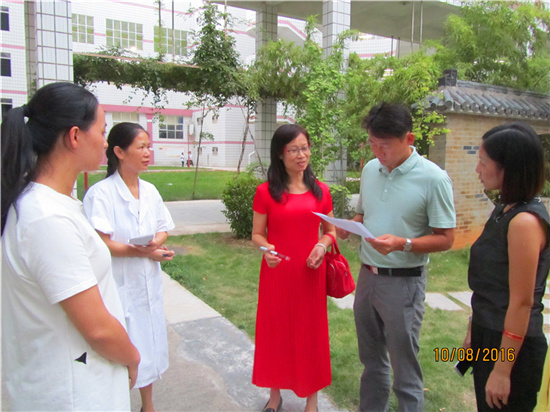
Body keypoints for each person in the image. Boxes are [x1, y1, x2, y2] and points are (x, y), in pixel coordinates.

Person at [1, 82, 140, 411]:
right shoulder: (47, 218)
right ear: (75, 136)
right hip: (72, 393)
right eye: (102, 131)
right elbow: (98, 329)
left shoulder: (47, 205)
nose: (105, 142)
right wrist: (133, 357)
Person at [337, 102, 456, 411]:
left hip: (404, 283)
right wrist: (350, 225)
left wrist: (403, 243)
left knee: (405, 370)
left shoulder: (434, 179)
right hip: (367, 277)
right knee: (371, 362)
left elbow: (446, 239)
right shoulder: (370, 170)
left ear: (409, 139)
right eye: (372, 144)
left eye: (385, 146)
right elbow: (364, 213)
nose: (378, 152)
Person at [83, 122, 175, 412]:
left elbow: (162, 227)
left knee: (147, 342)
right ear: (119, 152)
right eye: (141, 147)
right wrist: (142, 252)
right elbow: (103, 243)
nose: (148, 153)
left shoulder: (150, 191)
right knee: (120, 349)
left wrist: (155, 245)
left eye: (149, 147)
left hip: (146, 282)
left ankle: (148, 405)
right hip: (117, 283)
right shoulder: (101, 194)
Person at [464, 122, 549, 412]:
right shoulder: (504, 209)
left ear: (508, 169)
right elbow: (491, 284)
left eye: (483, 162)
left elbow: (522, 302)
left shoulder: (524, 222)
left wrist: (502, 370)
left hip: (512, 347)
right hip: (488, 332)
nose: (478, 169)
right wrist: (473, 330)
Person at [251, 124, 336, 412]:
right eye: (294, 150)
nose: (302, 155)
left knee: (310, 335)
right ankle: (275, 397)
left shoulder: (321, 191)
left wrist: (321, 245)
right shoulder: (265, 192)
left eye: (305, 148)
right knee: (276, 333)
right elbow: (257, 235)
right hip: (277, 273)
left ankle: (312, 401)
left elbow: (331, 232)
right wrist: (266, 249)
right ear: (280, 154)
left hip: (310, 273)